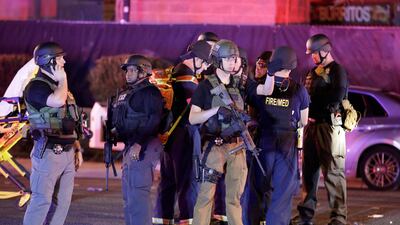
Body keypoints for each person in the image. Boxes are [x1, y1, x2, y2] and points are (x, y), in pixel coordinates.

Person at [189, 39, 274, 225]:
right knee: (205, 197)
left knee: (235, 199)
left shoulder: (242, 85)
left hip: (238, 147)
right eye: (228, 59)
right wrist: (215, 111)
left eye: (235, 59)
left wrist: (272, 71)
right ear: (217, 60)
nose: (233, 62)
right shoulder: (206, 86)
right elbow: (193, 118)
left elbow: (267, 90)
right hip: (214, 148)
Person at [245, 46, 310, 225]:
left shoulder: (262, 87)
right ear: (291, 67)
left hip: (263, 141)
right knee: (282, 193)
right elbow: (303, 121)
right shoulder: (300, 90)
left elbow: (250, 110)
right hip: (287, 145)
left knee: (256, 189)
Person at [23, 41, 84, 225]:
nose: (64, 62)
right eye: (60, 58)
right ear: (48, 61)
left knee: (62, 204)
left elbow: (70, 120)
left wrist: (77, 147)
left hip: (67, 152)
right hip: (48, 151)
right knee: (41, 201)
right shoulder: (36, 87)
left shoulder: (62, 88)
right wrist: (63, 78)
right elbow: (57, 102)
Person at [291, 34, 348, 225]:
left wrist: (313, 106)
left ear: (326, 50)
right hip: (311, 127)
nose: (313, 57)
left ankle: (338, 218)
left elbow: (337, 96)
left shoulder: (338, 71)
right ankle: (305, 216)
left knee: (333, 174)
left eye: (315, 53)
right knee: (309, 173)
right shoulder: (311, 72)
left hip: (329, 128)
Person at [153, 40, 210, 225]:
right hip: (184, 134)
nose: (206, 67)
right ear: (197, 59)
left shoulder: (173, 72)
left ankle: (162, 219)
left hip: (167, 134)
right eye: (206, 62)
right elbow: (196, 110)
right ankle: (188, 219)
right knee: (188, 182)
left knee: (167, 181)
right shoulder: (189, 80)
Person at [109, 54, 164, 225]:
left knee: (138, 196)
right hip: (132, 145)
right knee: (129, 197)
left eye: (132, 70)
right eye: (127, 70)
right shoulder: (128, 93)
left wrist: (139, 144)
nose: (128, 73)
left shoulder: (149, 92)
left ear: (143, 72)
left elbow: (154, 120)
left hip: (143, 146)